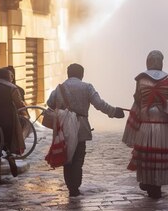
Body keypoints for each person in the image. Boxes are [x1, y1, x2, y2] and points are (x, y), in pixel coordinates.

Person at [47, 63, 125, 197]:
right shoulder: (87, 87)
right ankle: (75, 187)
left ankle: (71, 187)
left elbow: (50, 103)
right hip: (81, 126)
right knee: (78, 157)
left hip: (64, 126)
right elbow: (99, 104)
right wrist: (114, 111)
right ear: (81, 74)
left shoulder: (60, 88)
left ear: (68, 74)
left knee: (68, 157)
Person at [122, 51, 168, 199]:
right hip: (164, 124)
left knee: (148, 154)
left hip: (146, 123)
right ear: (161, 62)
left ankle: (148, 182)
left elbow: (138, 100)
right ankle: (156, 184)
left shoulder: (141, 79)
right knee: (161, 154)